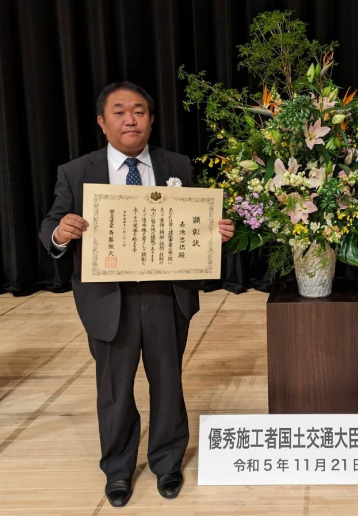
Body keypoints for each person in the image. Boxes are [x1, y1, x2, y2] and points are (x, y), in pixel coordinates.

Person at [39, 82, 234, 508]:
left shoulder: (176, 164)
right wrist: (60, 233)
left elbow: (196, 222)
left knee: (168, 381)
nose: (131, 119)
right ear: (102, 122)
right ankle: (118, 469)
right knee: (114, 387)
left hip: (166, 294)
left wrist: (215, 231)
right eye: (120, 112)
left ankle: (167, 462)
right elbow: (50, 225)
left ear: (151, 119)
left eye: (140, 111)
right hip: (109, 298)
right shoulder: (76, 171)